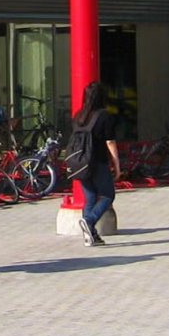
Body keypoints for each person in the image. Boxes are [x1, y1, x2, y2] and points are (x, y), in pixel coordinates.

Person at [72, 79, 120, 247]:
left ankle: (90, 236)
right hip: (98, 161)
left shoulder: (78, 116)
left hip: (80, 162)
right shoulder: (105, 116)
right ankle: (90, 221)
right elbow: (110, 142)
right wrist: (117, 165)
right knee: (108, 195)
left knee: (90, 197)